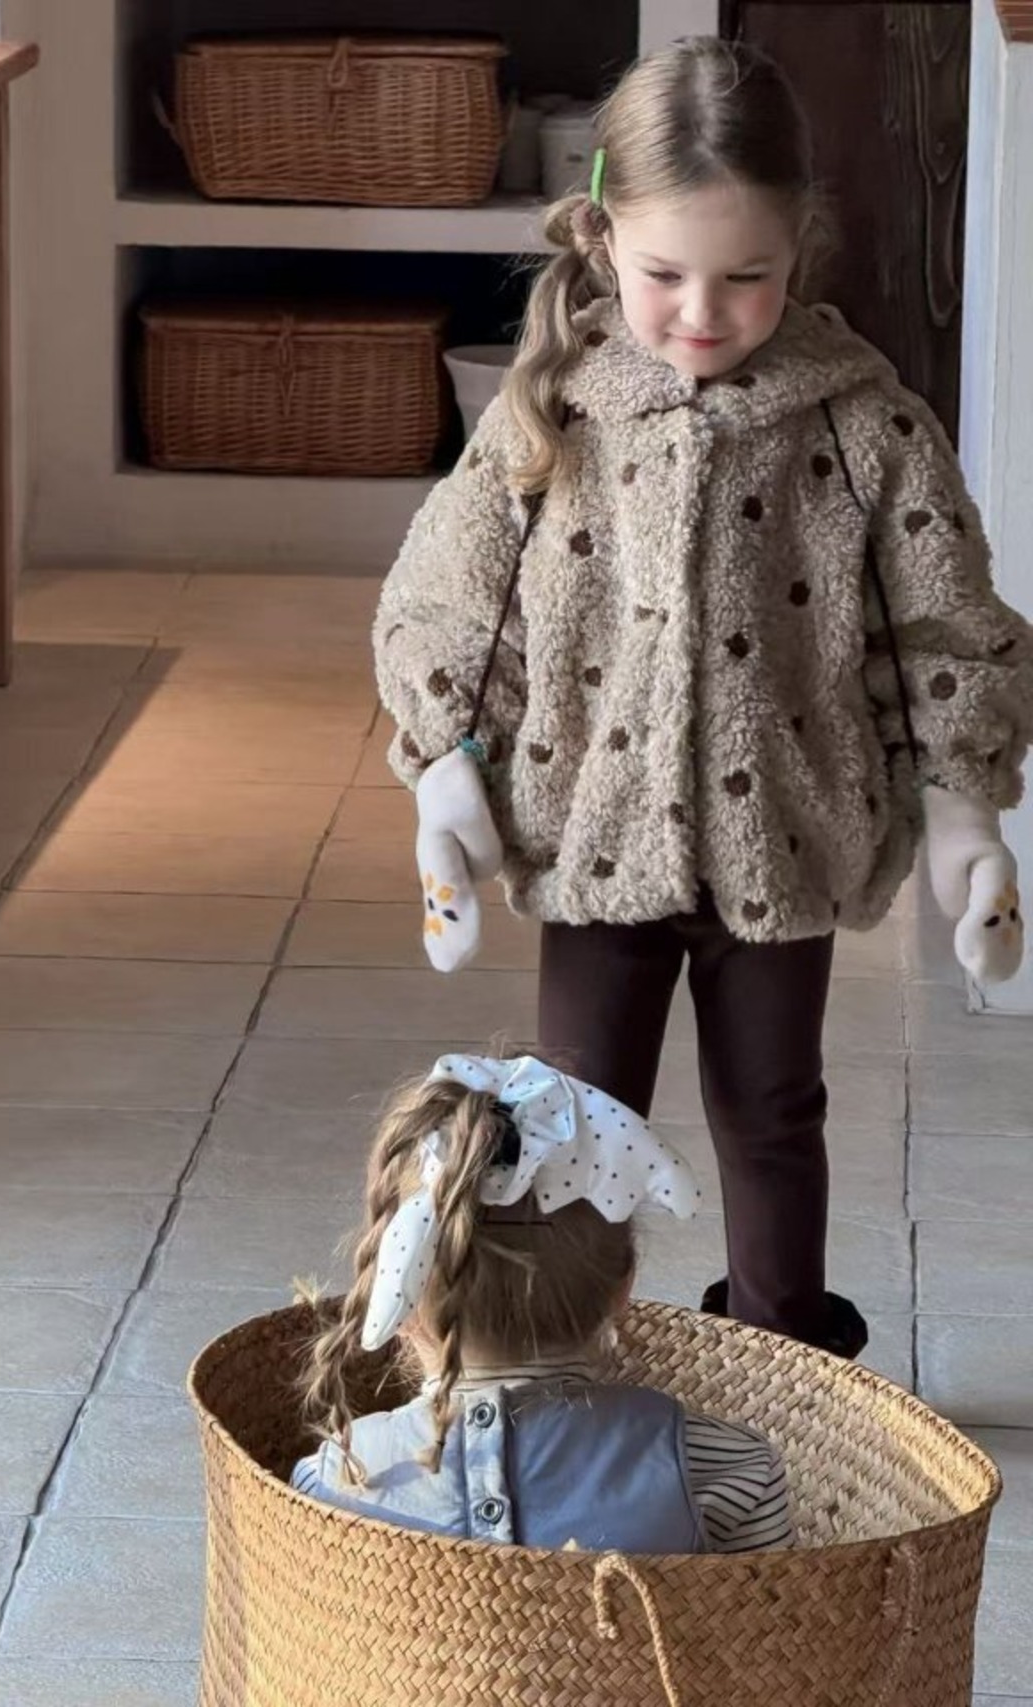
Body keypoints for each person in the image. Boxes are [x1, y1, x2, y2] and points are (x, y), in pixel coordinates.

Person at [373, 37, 1033, 1357]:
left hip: (783, 843)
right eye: (664, 273)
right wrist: (448, 776)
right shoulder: (553, 410)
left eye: (746, 277)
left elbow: (943, 629)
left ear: (800, 247)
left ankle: (782, 1356)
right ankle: (556, 1356)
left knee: (773, 1110)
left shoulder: (863, 423)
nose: (701, 313)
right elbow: (452, 605)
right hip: (591, 838)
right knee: (570, 1120)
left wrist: (967, 818)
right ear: (604, 236)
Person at [293, 1054, 793, 1554]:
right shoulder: (733, 1471)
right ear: (623, 1287)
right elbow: (775, 1604)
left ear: (395, 1294)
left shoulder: (333, 1480)